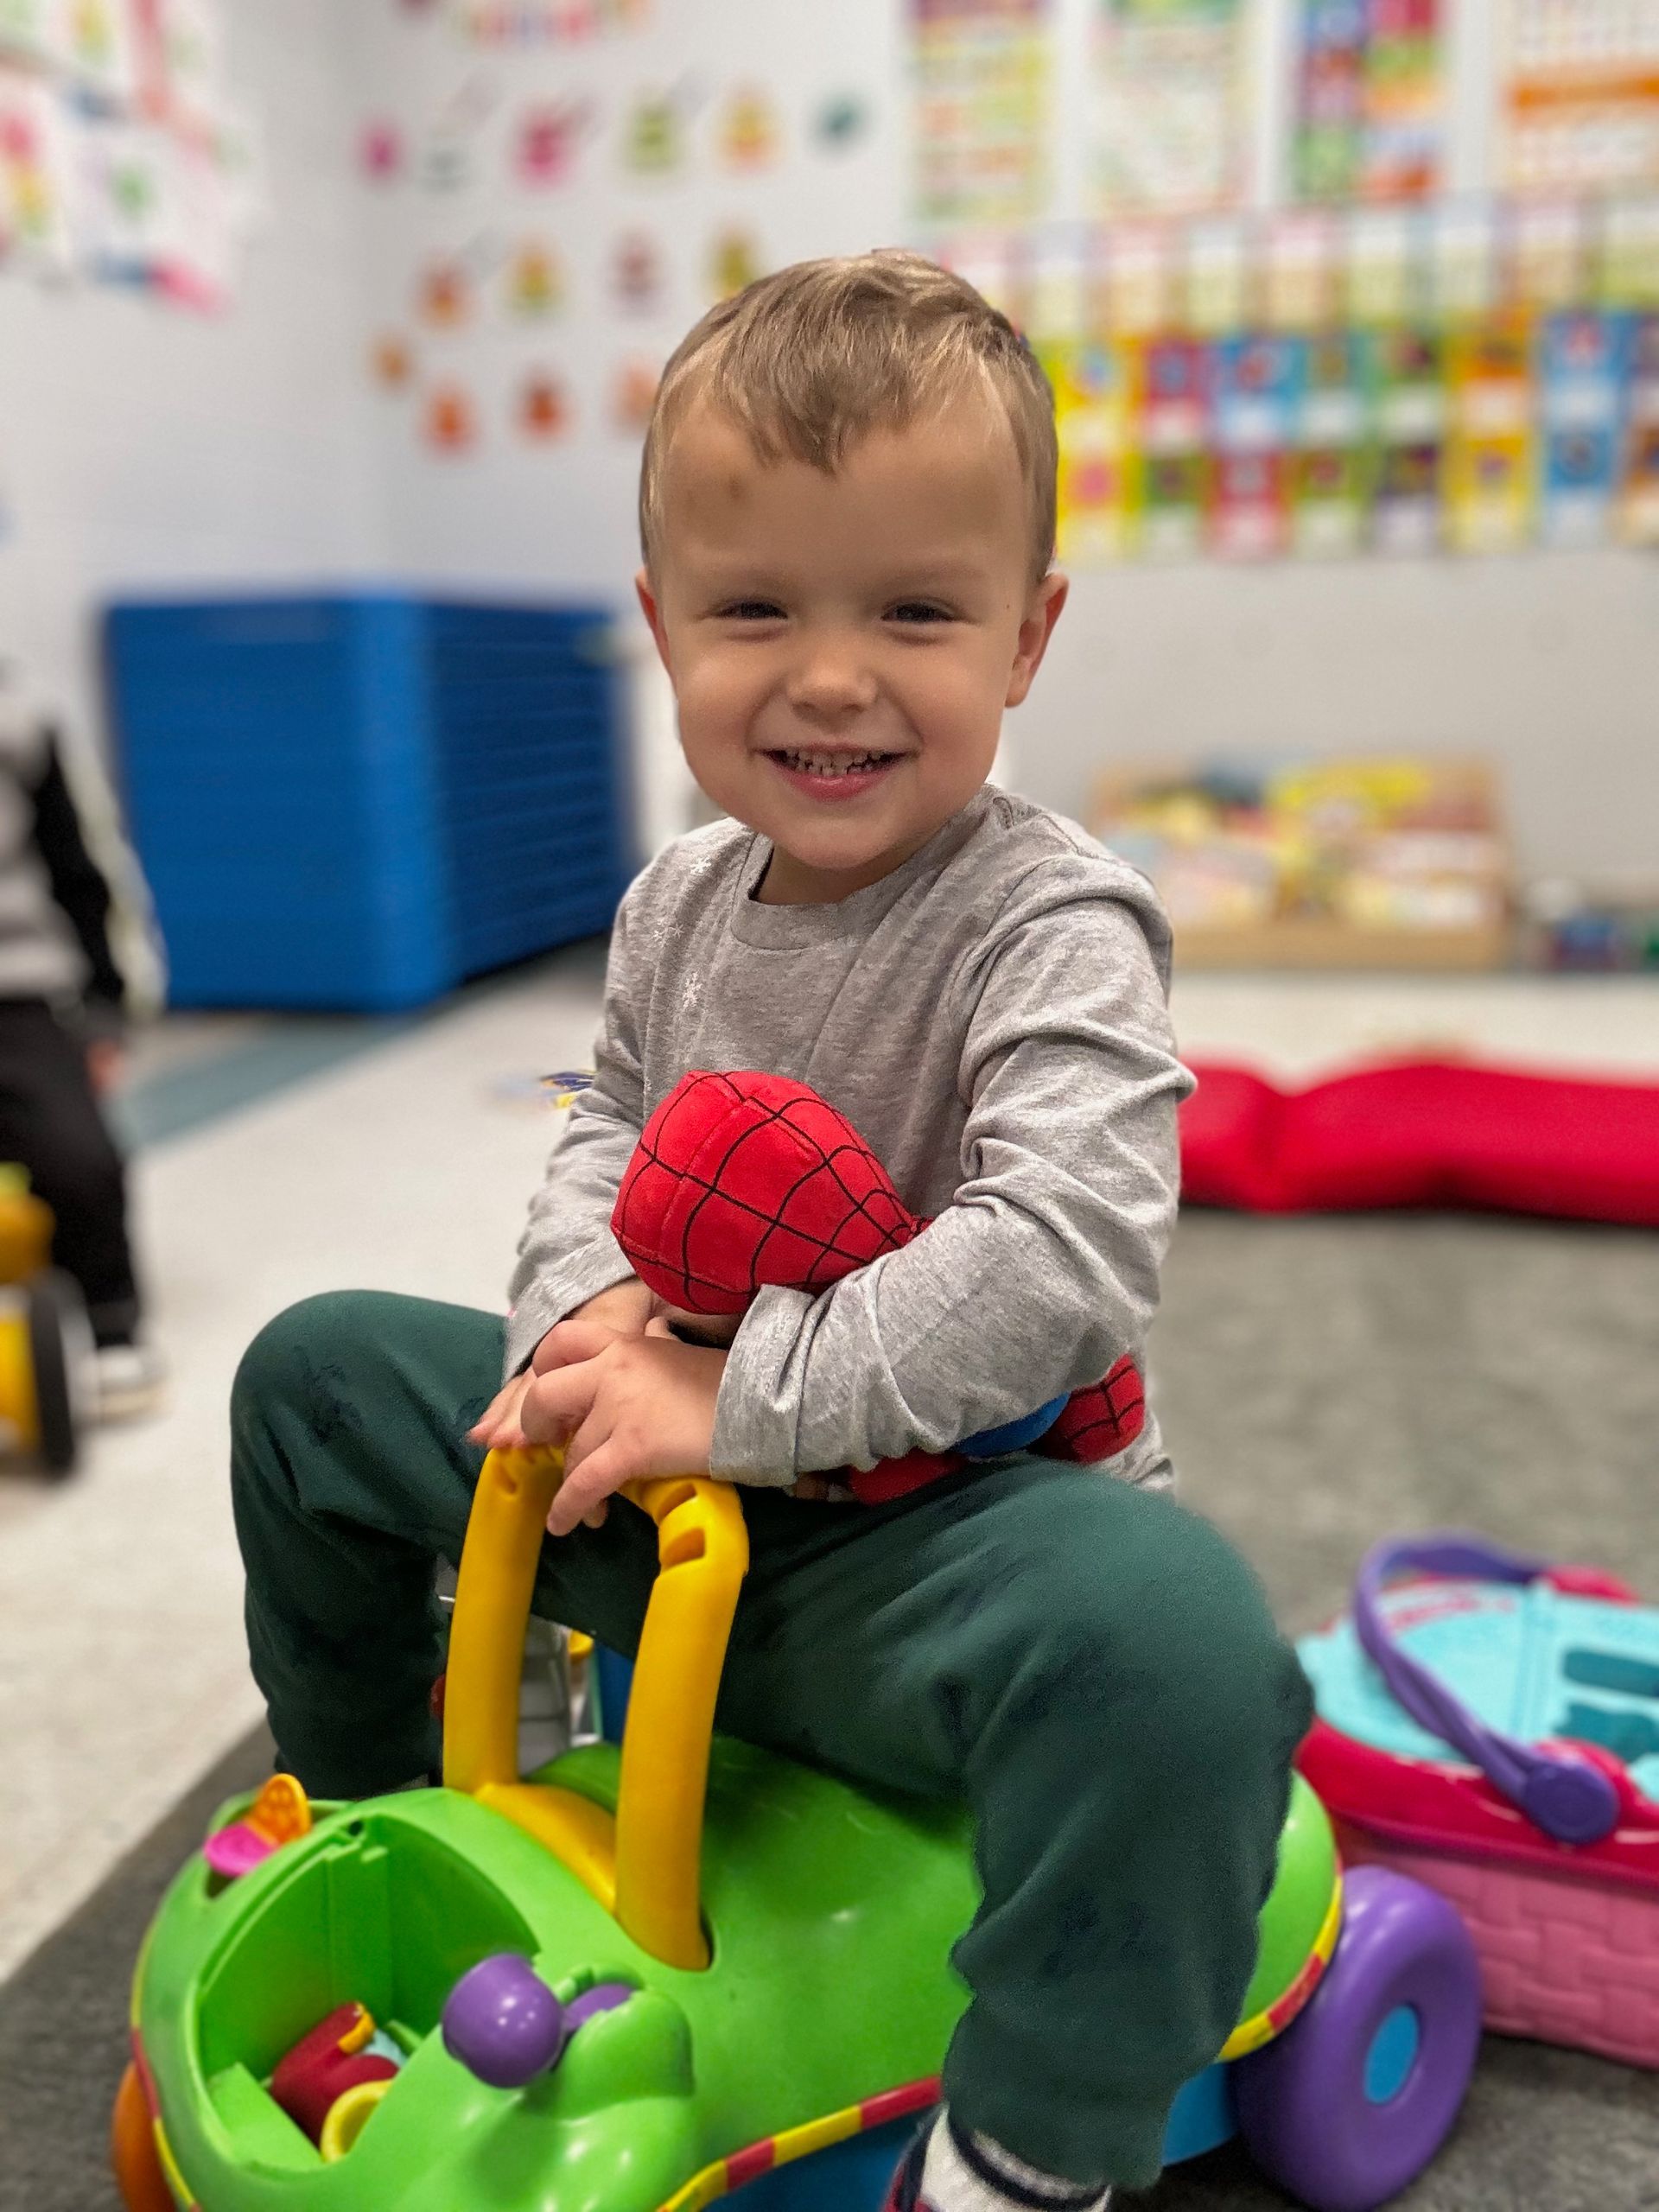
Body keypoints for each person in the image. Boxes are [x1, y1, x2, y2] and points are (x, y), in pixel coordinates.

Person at [231, 251, 1312, 2212]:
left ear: (1026, 634)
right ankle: (378, 1816)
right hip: (661, 1498)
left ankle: (1029, 2146)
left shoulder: (1054, 920)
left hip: (928, 1544)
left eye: (912, 607)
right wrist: (581, 1332)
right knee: (315, 1370)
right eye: (755, 610)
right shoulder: (675, 901)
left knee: (1182, 1645)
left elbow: (1061, 1249)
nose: (829, 674)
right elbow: (608, 1130)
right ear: (662, 628)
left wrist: (741, 1392)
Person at [0, 659, 162, 1418]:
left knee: (81, 1158)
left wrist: (103, 1008)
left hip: (17, 991)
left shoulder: (21, 712)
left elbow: (83, 867)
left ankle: (109, 1325)